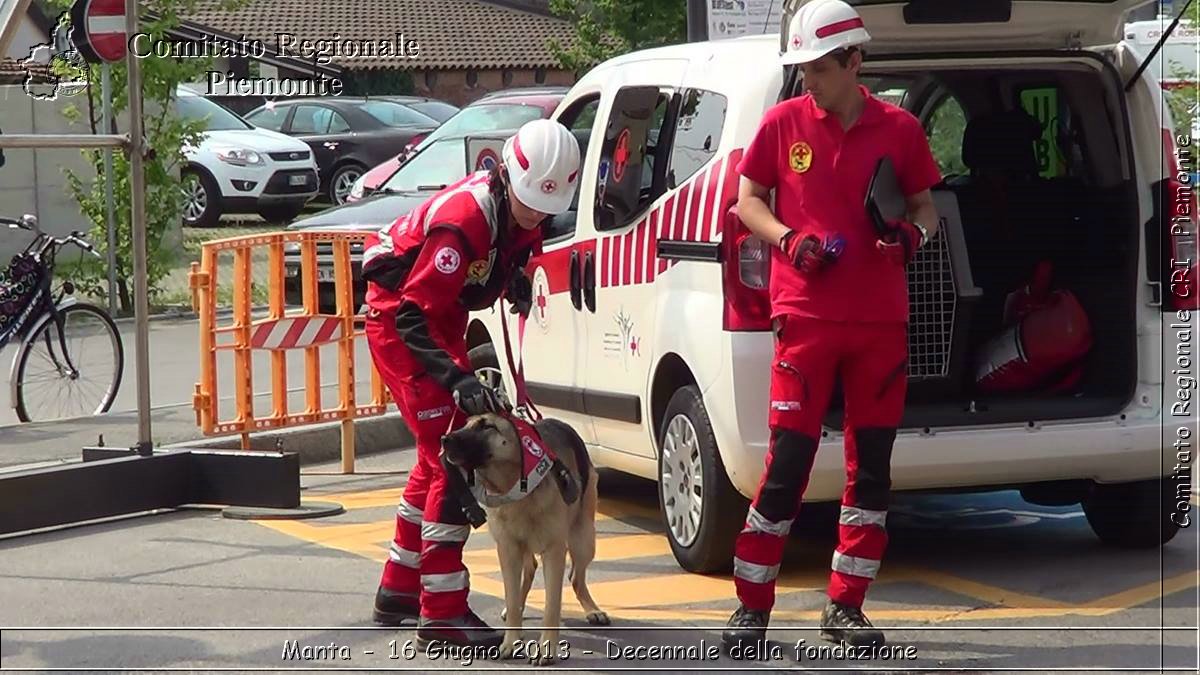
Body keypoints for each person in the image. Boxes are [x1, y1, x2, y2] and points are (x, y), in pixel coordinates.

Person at [722, 0, 942, 653]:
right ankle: (751, 607)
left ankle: (846, 604)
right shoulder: (781, 123)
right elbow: (746, 202)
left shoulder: (900, 129)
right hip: (805, 320)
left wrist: (910, 237)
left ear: (854, 61)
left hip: (879, 325)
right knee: (787, 463)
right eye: (801, 69)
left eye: (817, 68)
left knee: (870, 469)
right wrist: (788, 241)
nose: (806, 81)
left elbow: (927, 209)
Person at [361, 118, 581, 648]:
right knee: (450, 461)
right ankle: (441, 609)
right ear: (507, 177)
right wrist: (456, 378)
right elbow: (413, 315)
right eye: (528, 204)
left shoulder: (524, 210)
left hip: (440, 322)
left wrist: (518, 283)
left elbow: (500, 262)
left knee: (429, 458)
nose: (534, 217)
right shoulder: (463, 223)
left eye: (543, 211)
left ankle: (401, 585)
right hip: (402, 323)